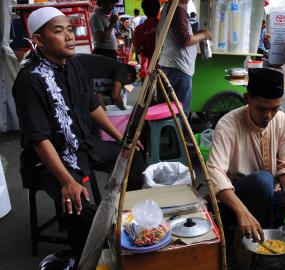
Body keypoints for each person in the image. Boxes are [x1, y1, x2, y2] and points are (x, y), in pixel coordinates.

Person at [12, 7, 145, 261]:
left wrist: (121, 138)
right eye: (59, 31)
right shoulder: (29, 80)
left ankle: (129, 218)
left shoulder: (73, 65)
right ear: (38, 40)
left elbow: (92, 107)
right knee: (77, 203)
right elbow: (39, 139)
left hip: (84, 145)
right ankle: (86, 258)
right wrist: (67, 181)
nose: (69, 36)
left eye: (70, 30)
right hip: (47, 162)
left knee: (133, 156)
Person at [207, 68, 285, 244]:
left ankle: (255, 229)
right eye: (261, 108)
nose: (268, 116)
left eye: (275, 109)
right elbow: (215, 173)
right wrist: (242, 212)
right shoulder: (228, 124)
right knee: (263, 180)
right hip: (236, 198)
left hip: (269, 194)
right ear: (247, 99)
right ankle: (258, 247)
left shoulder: (284, 122)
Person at [158, 0, 212, 115]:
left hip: (171, 65)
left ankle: (171, 133)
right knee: (180, 114)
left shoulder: (167, 8)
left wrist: (197, 33)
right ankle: (178, 133)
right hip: (179, 67)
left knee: (168, 113)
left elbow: (178, 34)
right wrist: (204, 35)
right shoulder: (177, 10)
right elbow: (184, 39)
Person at [134, 0, 159, 78]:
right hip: (169, 67)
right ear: (158, 10)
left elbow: (138, 50)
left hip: (151, 68)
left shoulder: (139, 29)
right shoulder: (165, 24)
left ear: (144, 11)